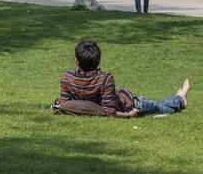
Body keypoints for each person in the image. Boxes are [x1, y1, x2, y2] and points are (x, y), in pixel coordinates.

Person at [56, 40, 189, 118]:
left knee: (158, 105)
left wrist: (127, 114)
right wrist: (127, 115)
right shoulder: (104, 78)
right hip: (126, 102)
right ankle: (180, 98)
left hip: (127, 102)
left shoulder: (67, 77)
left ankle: (180, 99)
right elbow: (109, 110)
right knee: (157, 105)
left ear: (76, 61)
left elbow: (65, 105)